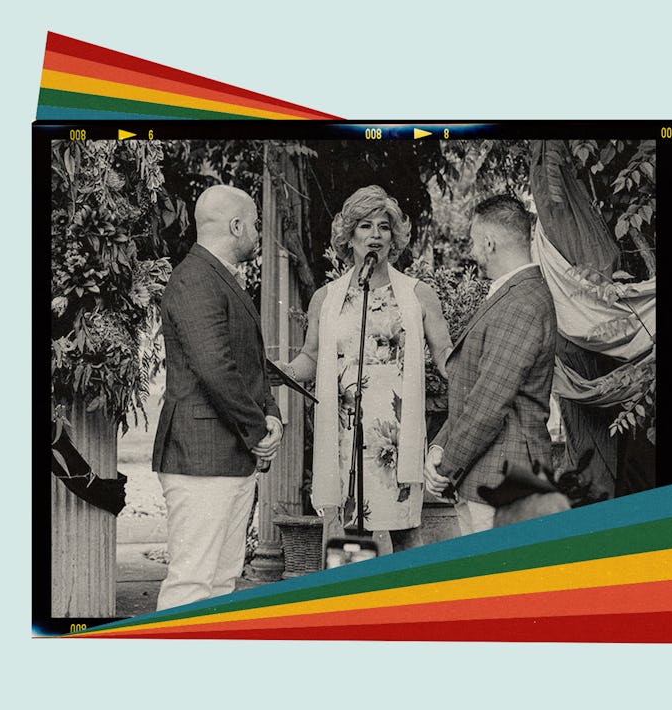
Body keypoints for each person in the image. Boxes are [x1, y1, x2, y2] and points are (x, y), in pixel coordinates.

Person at [273, 185, 452, 553]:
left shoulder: (418, 294)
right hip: (343, 440)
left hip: (395, 442)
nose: (375, 235)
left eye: (383, 227)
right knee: (348, 544)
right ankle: (354, 609)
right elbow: (310, 356)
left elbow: (447, 354)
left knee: (406, 537)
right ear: (349, 235)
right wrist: (286, 371)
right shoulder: (326, 299)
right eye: (365, 226)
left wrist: (477, 375)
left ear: (393, 237)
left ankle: (414, 609)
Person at [151, 185, 283, 610]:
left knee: (221, 585)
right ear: (236, 225)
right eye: (255, 224)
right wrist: (258, 430)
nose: (259, 233)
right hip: (200, 458)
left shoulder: (218, 278)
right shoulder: (194, 278)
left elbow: (250, 363)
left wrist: (272, 415)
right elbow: (215, 369)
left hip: (227, 459)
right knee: (191, 584)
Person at [424, 195, 557, 534]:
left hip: (504, 479)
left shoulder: (521, 302)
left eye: (472, 240)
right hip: (491, 476)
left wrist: (445, 467)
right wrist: (440, 444)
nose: (472, 250)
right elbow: (476, 390)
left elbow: (487, 404)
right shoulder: (513, 295)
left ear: (489, 242)